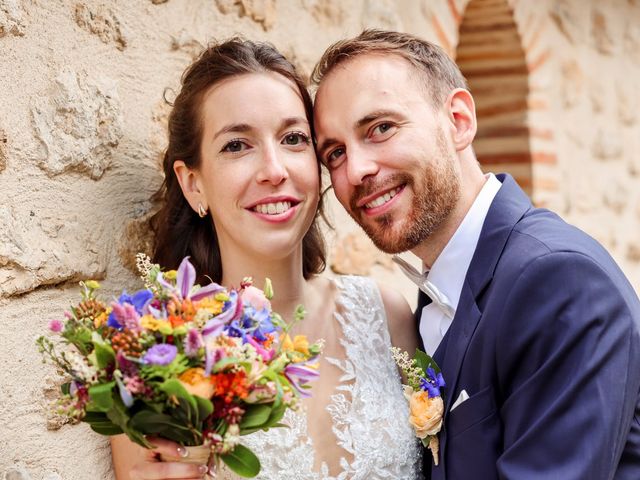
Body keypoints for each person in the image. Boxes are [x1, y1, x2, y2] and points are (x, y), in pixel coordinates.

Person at [312, 29, 640, 480]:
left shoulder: (559, 280)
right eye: (334, 153)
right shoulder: (436, 295)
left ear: (460, 120)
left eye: (381, 128)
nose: (357, 169)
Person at [110, 38, 422, 480]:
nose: (275, 169)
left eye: (294, 139)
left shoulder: (387, 316)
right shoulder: (158, 357)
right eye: (237, 145)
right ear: (193, 183)